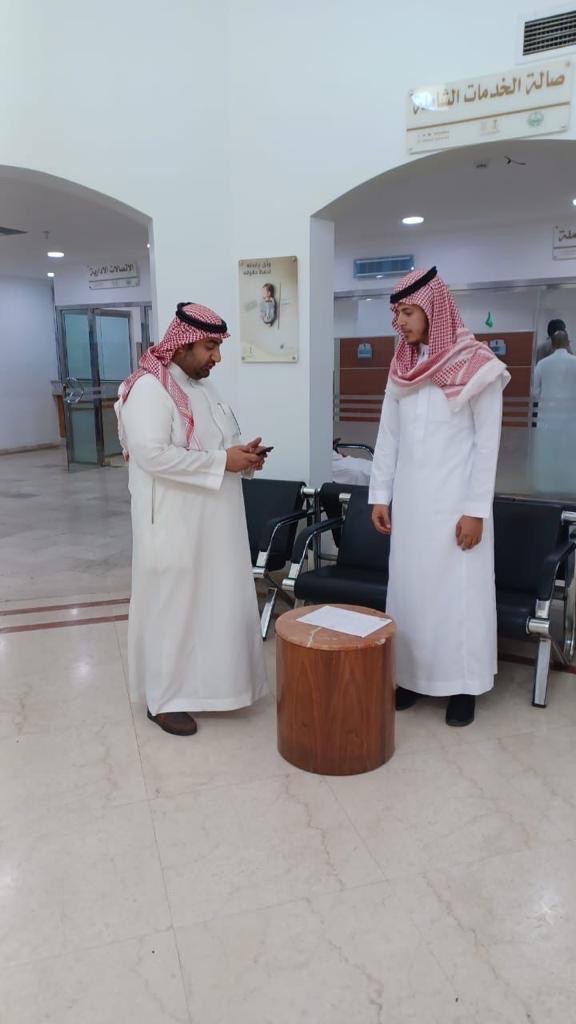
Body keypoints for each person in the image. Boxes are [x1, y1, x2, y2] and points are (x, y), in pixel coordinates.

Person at [115, 302, 269, 736]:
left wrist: (244, 457)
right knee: (173, 610)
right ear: (182, 345)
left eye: (218, 347)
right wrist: (222, 461)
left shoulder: (204, 388)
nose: (216, 357)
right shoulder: (150, 389)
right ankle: (163, 699)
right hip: (173, 523)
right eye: (209, 347)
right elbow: (152, 454)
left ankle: (212, 690)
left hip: (215, 524)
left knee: (213, 604)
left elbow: (217, 446)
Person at [370, 267, 510, 727]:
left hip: (456, 507)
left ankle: (463, 686)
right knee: (410, 594)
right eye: (398, 313)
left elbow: (487, 445)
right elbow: (388, 436)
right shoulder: (402, 367)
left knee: (458, 598)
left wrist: (476, 510)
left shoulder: (478, 365)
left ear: (434, 309)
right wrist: (380, 495)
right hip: (412, 508)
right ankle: (411, 677)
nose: (401, 322)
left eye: (408, 312)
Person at [531, 329, 576, 494]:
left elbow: (535, 393)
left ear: (552, 345)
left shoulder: (542, 364)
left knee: (548, 454)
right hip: (571, 420)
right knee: (569, 455)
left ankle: (546, 486)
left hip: (547, 420)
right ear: (569, 343)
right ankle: (569, 487)